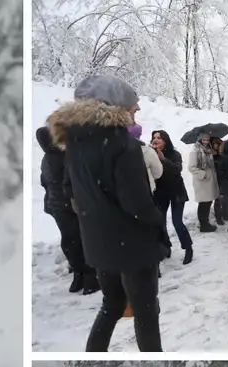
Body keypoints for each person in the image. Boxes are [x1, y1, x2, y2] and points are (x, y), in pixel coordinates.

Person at [46, 74, 165, 352]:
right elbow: (137, 204)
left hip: (98, 245)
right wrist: (157, 220)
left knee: (111, 306)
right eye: (132, 104)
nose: (136, 109)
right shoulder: (121, 143)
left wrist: (98, 217)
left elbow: (69, 191)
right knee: (146, 311)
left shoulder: (75, 142)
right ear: (115, 105)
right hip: (134, 246)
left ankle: (92, 354)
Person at [37, 126, 98, 294]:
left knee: (70, 240)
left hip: (56, 205)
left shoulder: (46, 159)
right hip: (70, 204)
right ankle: (90, 277)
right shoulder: (65, 157)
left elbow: (44, 182)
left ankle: (78, 275)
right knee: (82, 239)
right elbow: (74, 180)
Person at [149, 129, 194, 265]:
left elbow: (176, 170)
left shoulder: (175, 154)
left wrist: (163, 159)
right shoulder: (150, 154)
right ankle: (166, 246)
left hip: (176, 192)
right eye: (154, 138)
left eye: (160, 138)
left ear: (165, 141)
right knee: (160, 221)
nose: (156, 140)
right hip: (161, 193)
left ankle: (188, 248)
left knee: (177, 222)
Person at [187, 133, 219, 232]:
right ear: (200, 140)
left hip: (209, 181)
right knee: (203, 203)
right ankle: (204, 225)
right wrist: (203, 174)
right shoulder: (195, 151)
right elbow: (191, 167)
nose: (205, 142)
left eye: (207, 140)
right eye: (203, 140)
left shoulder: (208, 150)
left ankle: (205, 223)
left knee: (208, 202)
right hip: (202, 181)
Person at [128, 123, 163, 192]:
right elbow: (158, 173)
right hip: (145, 189)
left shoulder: (117, 149)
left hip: (123, 191)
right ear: (140, 134)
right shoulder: (148, 151)